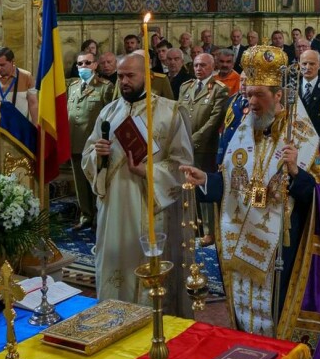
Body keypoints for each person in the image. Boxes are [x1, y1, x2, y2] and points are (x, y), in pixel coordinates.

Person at [180, 46, 320, 336]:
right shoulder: (244, 129)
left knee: (275, 311)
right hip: (241, 240)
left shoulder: (303, 136)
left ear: (278, 95)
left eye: (259, 95)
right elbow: (234, 182)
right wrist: (205, 180)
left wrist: (296, 172)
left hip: (280, 246)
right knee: (245, 315)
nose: (251, 102)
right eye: (248, 94)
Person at [82, 53, 193, 314]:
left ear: (148, 76)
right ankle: (112, 318)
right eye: (120, 76)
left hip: (148, 206)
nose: (124, 82)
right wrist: (96, 155)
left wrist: (148, 171)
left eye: (130, 76)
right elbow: (88, 156)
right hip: (113, 211)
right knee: (113, 266)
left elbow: (183, 165)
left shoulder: (171, 112)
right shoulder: (108, 113)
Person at [67, 51, 114, 231]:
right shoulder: (73, 86)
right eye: (80, 64)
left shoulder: (105, 87)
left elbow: (110, 115)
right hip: (76, 141)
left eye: (88, 63)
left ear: (95, 65)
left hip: (95, 144)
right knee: (80, 182)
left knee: (96, 181)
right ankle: (86, 215)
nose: (83, 67)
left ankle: (100, 216)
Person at [176, 53, 228, 172]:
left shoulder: (219, 89)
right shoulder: (186, 87)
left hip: (205, 149)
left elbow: (214, 121)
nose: (199, 68)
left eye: (203, 65)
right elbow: (178, 114)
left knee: (202, 186)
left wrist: (193, 140)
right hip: (184, 146)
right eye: (196, 65)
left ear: (213, 67)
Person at [0, 47, 37, 124]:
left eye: (2, 65)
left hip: (20, 126)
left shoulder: (26, 76)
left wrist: (36, 127)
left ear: (12, 62)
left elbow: (33, 103)